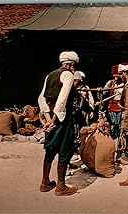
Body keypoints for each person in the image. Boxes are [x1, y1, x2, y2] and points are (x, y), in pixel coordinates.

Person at [37, 51, 79, 196]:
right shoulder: (68, 75)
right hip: (62, 118)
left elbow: (41, 98)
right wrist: (54, 119)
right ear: (71, 64)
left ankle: (45, 182)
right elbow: (62, 99)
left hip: (51, 117)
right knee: (65, 148)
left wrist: (48, 119)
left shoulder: (50, 75)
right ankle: (61, 187)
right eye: (74, 66)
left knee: (50, 148)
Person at [103, 64, 127, 165]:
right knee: (113, 131)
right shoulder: (110, 83)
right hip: (112, 110)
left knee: (122, 132)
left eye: (117, 75)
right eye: (114, 75)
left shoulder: (126, 84)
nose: (115, 77)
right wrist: (103, 91)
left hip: (122, 110)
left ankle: (119, 155)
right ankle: (111, 155)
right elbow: (103, 94)